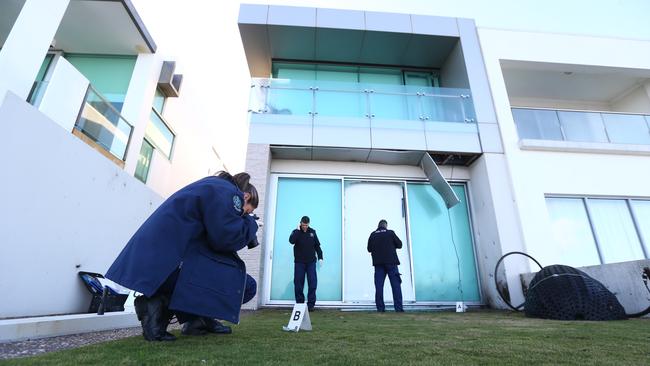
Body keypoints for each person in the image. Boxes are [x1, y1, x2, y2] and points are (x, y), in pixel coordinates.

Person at [105, 171, 259, 341]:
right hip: (168, 268)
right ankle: (158, 305)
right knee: (248, 285)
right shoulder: (229, 193)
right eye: (245, 212)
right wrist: (251, 224)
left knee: (225, 275)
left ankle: (196, 320)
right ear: (245, 197)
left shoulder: (213, 187)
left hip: (157, 264)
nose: (242, 216)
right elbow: (226, 239)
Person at [367, 219, 404, 312]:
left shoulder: (373, 234)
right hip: (391, 263)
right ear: (386, 226)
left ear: (378, 226)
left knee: (379, 286)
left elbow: (369, 249)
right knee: (396, 286)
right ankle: (398, 309)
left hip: (378, 264)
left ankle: (380, 308)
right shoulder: (390, 233)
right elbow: (400, 245)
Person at [289, 216, 323, 311]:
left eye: (306, 225)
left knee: (312, 283)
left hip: (311, 262)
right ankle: (300, 304)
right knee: (298, 282)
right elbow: (291, 241)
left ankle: (311, 305)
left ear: (308, 224)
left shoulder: (312, 232)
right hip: (299, 262)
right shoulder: (296, 232)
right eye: (303, 225)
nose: (305, 227)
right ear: (300, 223)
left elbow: (317, 246)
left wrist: (320, 257)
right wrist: (296, 231)